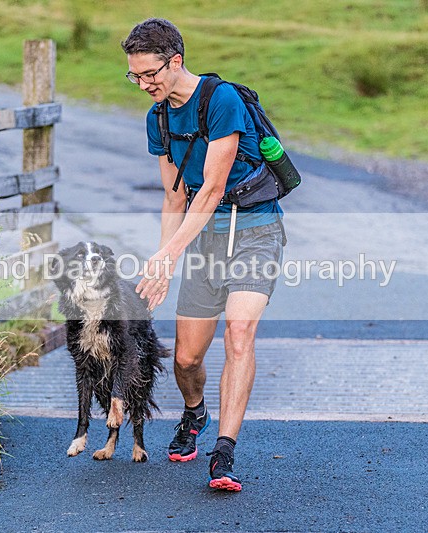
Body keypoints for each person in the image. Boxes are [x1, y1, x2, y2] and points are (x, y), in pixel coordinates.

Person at [122, 18, 285, 492]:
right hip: (204, 240)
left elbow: (212, 189)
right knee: (187, 359)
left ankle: (224, 452)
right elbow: (176, 197)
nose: (143, 84)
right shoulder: (158, 118)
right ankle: (195, 412)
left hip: (255, 230)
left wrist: (171, 255)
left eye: (149, 74)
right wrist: (161, 261)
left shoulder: (221, 100)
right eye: (134, 76)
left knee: (239, 335)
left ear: (175, 61)